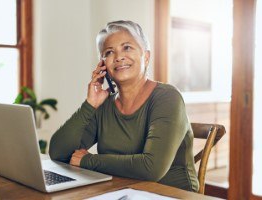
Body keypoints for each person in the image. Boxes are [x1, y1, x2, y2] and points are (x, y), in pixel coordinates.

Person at [49, 20, 199, 192]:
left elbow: (151, 168)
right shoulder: (104, 104)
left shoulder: (167, 97)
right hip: (121, 192)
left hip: (169, 194)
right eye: (109, 52)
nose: (119, 57)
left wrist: (88, 160)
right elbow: (59, 152)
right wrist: (89, 105)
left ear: (146, 56)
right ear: (103, 64)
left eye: (127, 47)